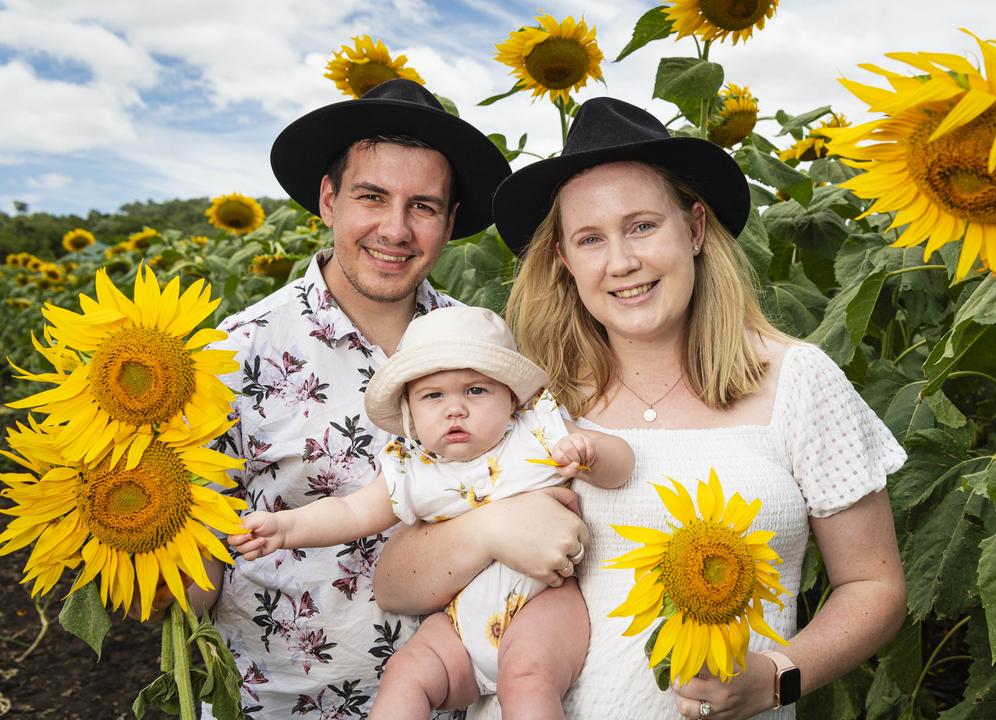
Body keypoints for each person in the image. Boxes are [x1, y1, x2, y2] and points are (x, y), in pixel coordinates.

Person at [374, 97, 909, 720]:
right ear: (567, 263)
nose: (621, 262)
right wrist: (491, 529)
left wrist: (774, 679)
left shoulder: (796, 380)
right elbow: (398, 584)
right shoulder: (535, 399)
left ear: (696, 228)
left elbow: (874, 588)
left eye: (642, 226)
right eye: (590, 239)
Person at [155, 78, 524, 719]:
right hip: (283, 702)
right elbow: (194, 578)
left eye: (424, 206)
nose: (396, 228)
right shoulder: (227, 357)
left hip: (460, 697)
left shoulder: (482, 346)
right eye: (371, 197)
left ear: (451, 222)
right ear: (329, 200)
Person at [227, 306, 633, 719]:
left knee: (527, 680)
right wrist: (285, 527)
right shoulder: (412, 467)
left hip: (543, 603)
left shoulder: (538, 433)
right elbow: (350, 512)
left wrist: (592, 454)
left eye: (476, 390)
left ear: (511, 397)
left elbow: (623, 465)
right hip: (459, 621)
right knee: (408, 671)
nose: (454, 408)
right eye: (433, 396)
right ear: (410, 415)